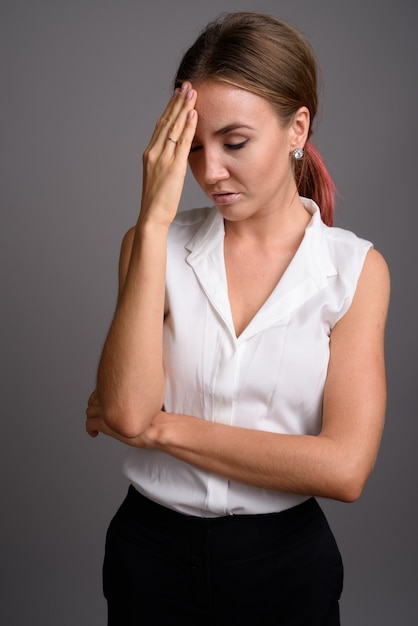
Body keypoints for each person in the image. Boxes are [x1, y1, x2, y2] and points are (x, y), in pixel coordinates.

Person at [86, 11, 390, 625]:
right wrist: (151, 219)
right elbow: (124, 410)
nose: (209, 172)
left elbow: (344, 467)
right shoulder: (153, 247)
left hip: (284, 564)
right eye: (193, 148)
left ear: (297, 126)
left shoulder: (354, 270)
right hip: (149, 554)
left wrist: (161, 431)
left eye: (235, 142)